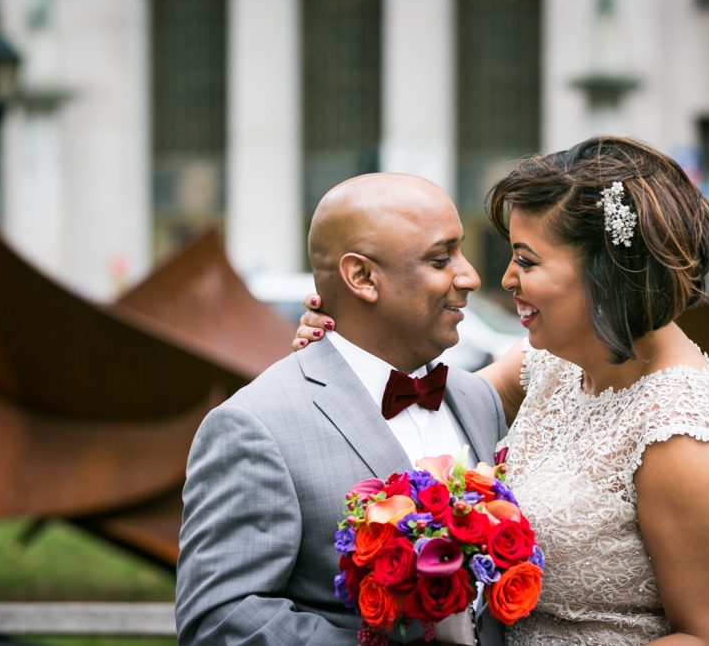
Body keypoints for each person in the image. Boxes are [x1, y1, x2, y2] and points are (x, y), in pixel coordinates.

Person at [294, 136, 709, 645]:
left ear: (605, 271)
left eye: (527, 260)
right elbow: (432, 410)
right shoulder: (552, 362)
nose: (505, 278)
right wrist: (345, 350)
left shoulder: (690, 442)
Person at [175, 173, 509, 645]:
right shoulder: (254, 426)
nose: (471, 276)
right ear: (363, 278)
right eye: (441, 259)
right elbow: (220, 621)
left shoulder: (478, 401)